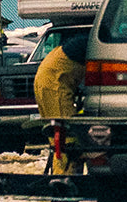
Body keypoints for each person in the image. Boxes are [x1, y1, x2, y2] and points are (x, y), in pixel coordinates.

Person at [34, 31, 89, 176]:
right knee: (66, 134)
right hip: (54, 84)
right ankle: (64, 177)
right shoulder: (92, 45)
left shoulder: (81, 41)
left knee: (56, 134)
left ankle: (60, 174)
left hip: (45, 81)